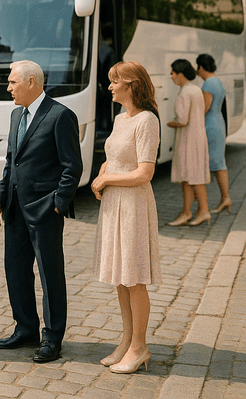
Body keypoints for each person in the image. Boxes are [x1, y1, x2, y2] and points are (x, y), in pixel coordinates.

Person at [0, 60, 83, 363]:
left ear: (31, 82)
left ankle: (52, 338)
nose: (8, 88)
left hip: (45, 211)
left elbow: (72, 166)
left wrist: (58, 203)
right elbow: (10, 162)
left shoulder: (60, 115)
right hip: (15, 209)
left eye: (12, 82)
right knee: (15, 272)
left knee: (50, 275)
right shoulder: (16, 115)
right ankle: (25, 328)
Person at [91, 61, 162, 374]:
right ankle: (127, 340)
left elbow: (145, 173)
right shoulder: (121, 118)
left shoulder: (147, 120)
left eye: (114, 81)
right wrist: (101, 174)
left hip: (133, 204)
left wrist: (107, 180)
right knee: (121, 276)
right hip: (115, 203)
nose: (109, 86)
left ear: (131, 85)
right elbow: (112, 158)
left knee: (133, 277)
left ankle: (140, 346)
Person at [167, 59, 211, 227]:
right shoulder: (196, 89)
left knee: (192, 177)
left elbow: (183, 119)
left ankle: (200, 211)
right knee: (191, 176)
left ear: (180, 74)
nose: (171, 77)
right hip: (197, 137)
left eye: (173, 73)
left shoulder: (186, 92)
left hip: (188, 139)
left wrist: (171, 123)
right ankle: (189, 212)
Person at [196, 54, 232, 214]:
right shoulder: (218, 81)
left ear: (201, 67)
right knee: (219, 163)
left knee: (210, 164)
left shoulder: (208, 84)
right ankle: (225, 198)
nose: (197, 72)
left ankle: (205, 204)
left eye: (197, 68)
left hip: (210, 124)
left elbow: (205, 107)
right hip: (219, 122)